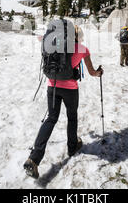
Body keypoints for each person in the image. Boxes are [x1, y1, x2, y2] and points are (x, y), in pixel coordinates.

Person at [24, 25, 104, 179]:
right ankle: (72, 146)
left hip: (52, 87)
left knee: (51, 118)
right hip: (70, 89)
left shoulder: (54, 45)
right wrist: (99, 73)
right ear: (78, 36)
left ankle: (33, 158)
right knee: (72, 116)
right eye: (81, 37)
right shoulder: (82, 49)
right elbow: (93, 72)